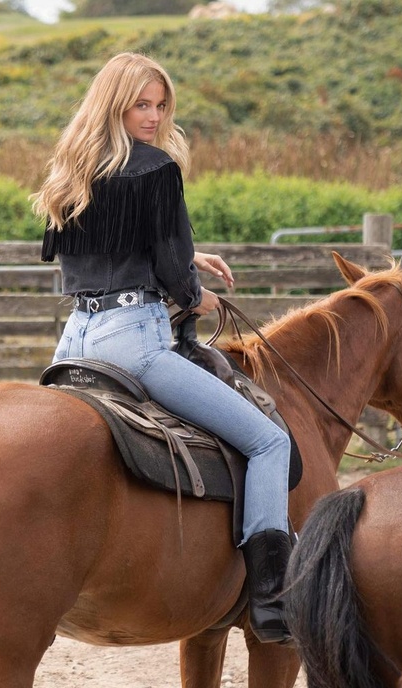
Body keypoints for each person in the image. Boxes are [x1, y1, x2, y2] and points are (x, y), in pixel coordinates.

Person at [33, 51, 292, 644]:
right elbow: (176, 280)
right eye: (140, 105)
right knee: (269, 439)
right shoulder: (156, 170)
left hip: (75, 341)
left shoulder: (72, 168)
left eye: (160, 105)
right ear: (115, 104)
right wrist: (197, 294)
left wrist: (181, 263)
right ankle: (272, 599)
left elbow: (98, 258)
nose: (153, 116)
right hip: (135, 344)